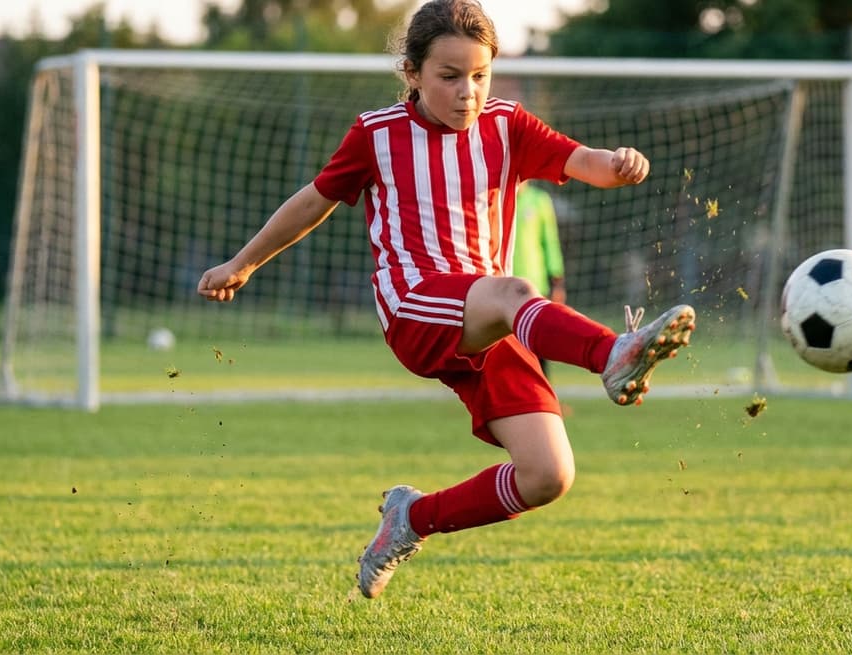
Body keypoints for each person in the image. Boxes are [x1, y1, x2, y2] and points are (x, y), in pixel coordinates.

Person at [197, 0, 696, 599]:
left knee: (547, 475)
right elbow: (314, 201)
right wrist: (242, 262)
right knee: (514, 290)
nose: (468, 92)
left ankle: (411, 518)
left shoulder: (508, 124)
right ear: (411, 72)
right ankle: (613, 355)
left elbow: (584, 161)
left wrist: (619, 165)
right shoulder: (376, 134)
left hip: (489, 321)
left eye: (480, 76)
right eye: (450, 77)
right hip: (415, 307)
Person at [513, 180, 567, 377]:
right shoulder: (497, 199)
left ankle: (545, 400)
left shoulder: (539, 200)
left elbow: (550, 242)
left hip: (535, 284)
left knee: (538, 345)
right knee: (507, 349)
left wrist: (557, 281)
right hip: (503, 283)